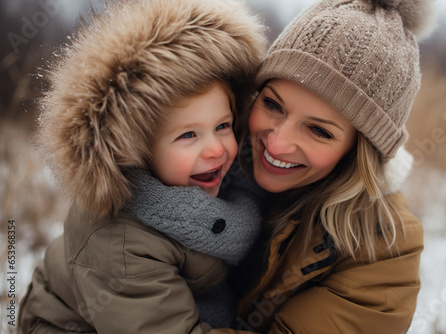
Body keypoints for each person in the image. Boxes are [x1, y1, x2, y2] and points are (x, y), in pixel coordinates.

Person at [18, 0, 266, 333]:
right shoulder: (121, 245)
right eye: (188, 135)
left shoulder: (231, 184)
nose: (216, 149)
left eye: (222, 126)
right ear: (138, 151)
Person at [207, 0, 435, 333]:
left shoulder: (385, 251)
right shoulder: (201, 154)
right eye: (272, 104)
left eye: (319, 131)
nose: (277, 143)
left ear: (358, 151)